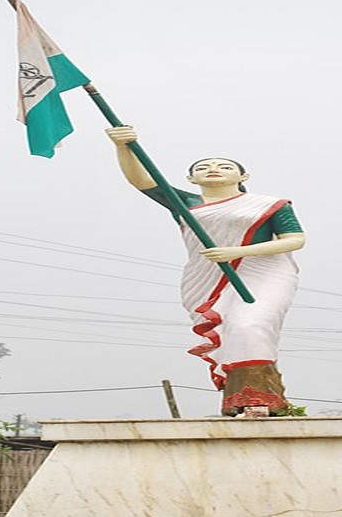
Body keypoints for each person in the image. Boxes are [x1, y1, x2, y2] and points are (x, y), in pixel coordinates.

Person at [105, 126, 306, 416]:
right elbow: (143, 181)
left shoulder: (268, 205)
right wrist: (123, 146)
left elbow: (295, 240)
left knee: (250, 325)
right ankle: (243, 399)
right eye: (203, 167)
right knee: (232, 330)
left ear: (243, 177)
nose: (213, 169)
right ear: (191, 178)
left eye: (224, 166)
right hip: (210, 277)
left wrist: (238, 252)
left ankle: (261, 398)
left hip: (265, 272)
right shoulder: (185, 204)